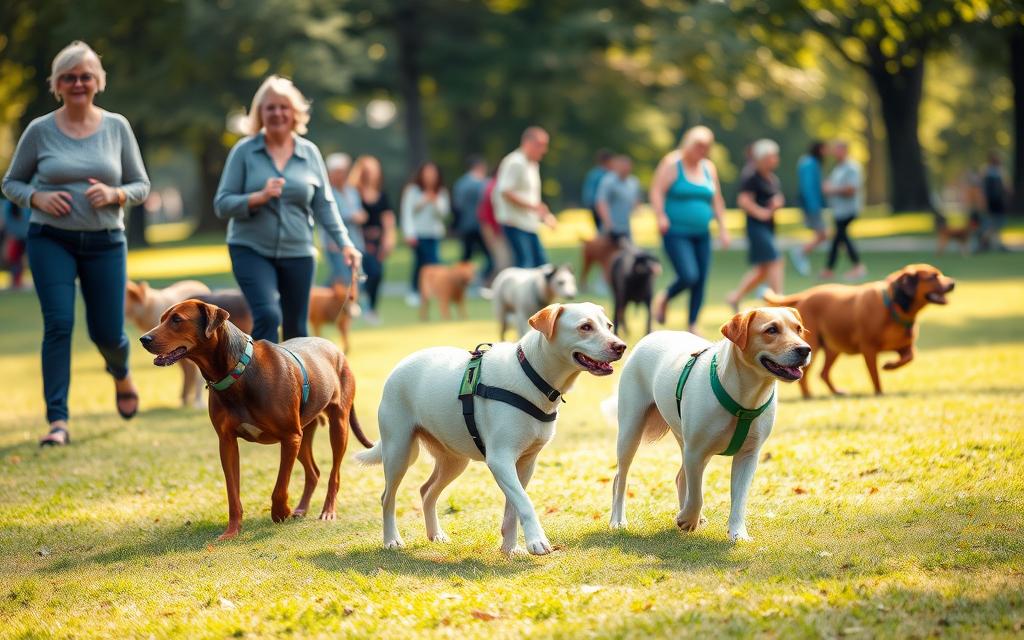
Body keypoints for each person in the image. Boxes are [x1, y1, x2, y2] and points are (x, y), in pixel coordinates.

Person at [1, 41, 150, 446]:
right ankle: (58, 422)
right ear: (57, 84)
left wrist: (116, 194)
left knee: (107, 332)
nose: (78, 82)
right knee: (59, 325)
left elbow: (141, 184)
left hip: (105, 240)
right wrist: (37, 197)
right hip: (50, 239)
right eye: (69, 76)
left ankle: (120, 373)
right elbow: (10, 182)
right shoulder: (40, 130)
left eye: (85, 75)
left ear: (98, 81)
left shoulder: (117, 126)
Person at [214, 75, 360, 344]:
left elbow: (324, 204)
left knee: (296, 327)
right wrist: (257, 197)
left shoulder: (309, 152)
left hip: (298, 251)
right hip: (251, 249)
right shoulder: (244, 151)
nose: (277, 113)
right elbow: (222, 204)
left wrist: (346, 244)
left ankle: (295, 386)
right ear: (260, 113)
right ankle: (259, 383)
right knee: (268, 316)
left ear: (295, 113)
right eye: (270, 107)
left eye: (284, 107)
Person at [649, 126, 730, 333]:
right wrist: (660, 216)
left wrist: (723, 228)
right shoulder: (672, 163)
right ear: (688, 143)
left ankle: (693, 324)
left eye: (706, 147)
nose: (702, 151)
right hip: (676, 231)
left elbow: (716, 199)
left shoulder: (708, 167)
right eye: (698, 146)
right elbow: (657, 191)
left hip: (702, 232)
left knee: (701, 279)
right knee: (689, 275)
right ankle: (665, 297)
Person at [727, 139, 784, 311]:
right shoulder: (751, 176)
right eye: (772, 156)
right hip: (756, 227)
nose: (775, 159)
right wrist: (762, 213)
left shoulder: (771, 178)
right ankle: (777, 299)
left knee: (762, 270)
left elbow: (773, 199)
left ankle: (735, 297)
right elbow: (744, 201)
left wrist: (776, 204)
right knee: (775, 260)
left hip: (768, 227)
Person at [494, 126, 557, 268]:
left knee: (542, 264)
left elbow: (531, 196)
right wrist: (533, 207)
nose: (544, 150)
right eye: (540, 145)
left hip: (529, 223)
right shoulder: (515, 162)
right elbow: (505, 191)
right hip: (515, 223)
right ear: (528, 143)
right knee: (525, 265)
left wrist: (544, 214)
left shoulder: (533, 165)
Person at [350, 155, 395, 324]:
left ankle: (371, 309)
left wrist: (388, 240)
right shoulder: (353, 194)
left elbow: (388, 221)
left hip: (377, 242)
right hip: (359, 242)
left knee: (377, 274)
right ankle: (355, 306)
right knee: (359, 275)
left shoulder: (382, 196)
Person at [400, 161, 449, 306]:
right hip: (418, 233)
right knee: (421, 263)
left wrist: (434, 202)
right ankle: (415, 290)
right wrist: (409, 233)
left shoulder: (441, 192)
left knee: (433, 263)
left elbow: (443, 214)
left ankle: (429, 291)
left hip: (434, 233)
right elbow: (407, 212)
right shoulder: (413, 190)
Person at [822, 140, 866, 280]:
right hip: (838, 210)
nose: (835, 153)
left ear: (845, 150)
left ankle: (857, 267)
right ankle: (830, 270)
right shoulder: (838, 168)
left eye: (838, 149)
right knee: (839, 238)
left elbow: (851, 189)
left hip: (848, 210)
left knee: (840, 238)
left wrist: (831, 190)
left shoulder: (852, 168)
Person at [320, 153, 365, 285]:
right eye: (338, 172)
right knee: (342, 279)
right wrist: (353, 216)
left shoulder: (352, 191)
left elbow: (360, 213)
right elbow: (328, 218)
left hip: (355, 241)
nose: (342, 175)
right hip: (335, 244)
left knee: (356, 279)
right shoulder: (326, 192)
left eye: (344, 171)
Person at [452, 156, 493, 280]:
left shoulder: (460, 184)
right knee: (490, 256)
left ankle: (459, 279)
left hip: (465, 225)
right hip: (481, 225)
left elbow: (457, 206)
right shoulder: (485, 183)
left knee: (466, 256)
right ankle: (482, 276)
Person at [790, 141, 826, 276]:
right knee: (822, 235)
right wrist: (813, 206)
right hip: (812, 204)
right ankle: (800, 253)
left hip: (813, 203)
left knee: (822, 235)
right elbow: (808, 186)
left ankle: (802, 253)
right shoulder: (810, 163)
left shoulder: (808, 162)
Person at [594, 154, 642, 241]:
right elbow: (601, 202)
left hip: (625, 225)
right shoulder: (608, 181)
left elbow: (635, 200)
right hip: (610, 226)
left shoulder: (633, 182)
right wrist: (608, 223)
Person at [982, 151, 1010, 251]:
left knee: (995, 223)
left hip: (995, 201)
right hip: (995, 202)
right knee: (995, 223)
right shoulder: (994, 172)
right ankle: (985, 242)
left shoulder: (991, 171)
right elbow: (1005, 187)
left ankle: (994, 243)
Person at [582, 148, 613, 230]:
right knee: (604, 229)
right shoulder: (602, 175)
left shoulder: (594, 173)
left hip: (597, 206)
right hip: (599, 206)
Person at [3, 197, 30, 290]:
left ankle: (18, 281)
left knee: (23, 259)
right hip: (15, 235)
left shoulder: (25, 203)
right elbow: (6, 221)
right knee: (15, 260)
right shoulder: (8, 205)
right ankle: (16, 281)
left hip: (27, 235)